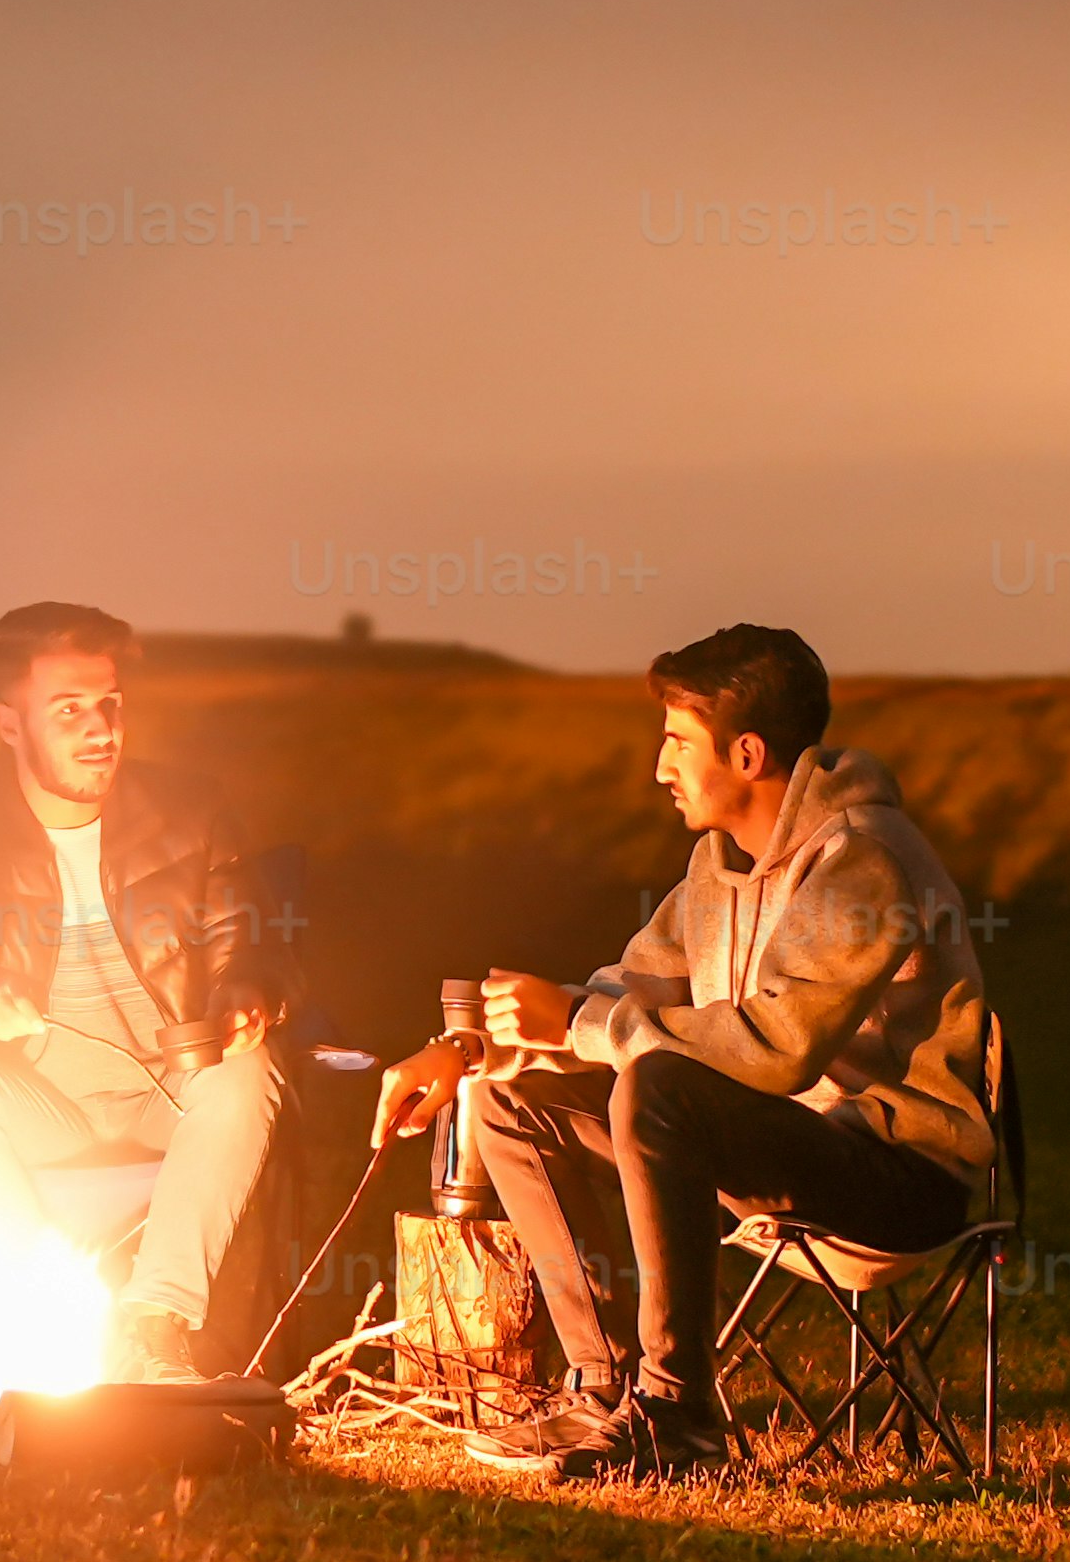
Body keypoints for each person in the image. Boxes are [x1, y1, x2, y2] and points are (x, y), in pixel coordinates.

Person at [383, 619, 1006, 1481]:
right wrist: (470, 1049)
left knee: (661, 1086)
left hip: (897, 1175)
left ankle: (678, 1415)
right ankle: (606, 1390)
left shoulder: (863, 861)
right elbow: (629, 995)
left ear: (746, 754)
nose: (659, 766)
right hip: (765, 1148)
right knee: (509, 1101)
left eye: (678, 741)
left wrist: (575, 1024)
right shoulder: (717, 867)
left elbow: (777, 1048)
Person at [0, 600, 289, 1380]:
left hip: (171, 1089)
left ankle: (153, 1329)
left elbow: (257, 947)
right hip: (41, 1099)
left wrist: (248, 994)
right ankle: (36, 1306)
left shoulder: (191, 812)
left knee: (246, 1067)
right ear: (9, 725)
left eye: (110, 705)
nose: (101, 729)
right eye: (69, 710)